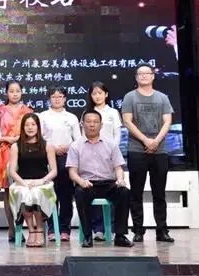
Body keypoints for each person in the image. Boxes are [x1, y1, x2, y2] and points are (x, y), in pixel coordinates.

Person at [122, 63, 175, 243]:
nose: (144, 76)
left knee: (159, 193)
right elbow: (127, 121)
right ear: (136, 77)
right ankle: (138, 230)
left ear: (153, 76)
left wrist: (156, 141)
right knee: (136, 192)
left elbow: (167, 121)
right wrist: (145, 140)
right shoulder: (130, 97)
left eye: (147, 73)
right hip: (137, 149)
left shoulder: (162, 98)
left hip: (160, 150)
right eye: (140, 74)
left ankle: (162, 230)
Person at [67, 111, 134, 248]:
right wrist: (81, 182)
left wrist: (120, 179)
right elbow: (72, 172)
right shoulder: (75, 146)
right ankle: (87, 236)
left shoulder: (111, 144)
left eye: (95, 122)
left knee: (124, 192)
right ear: (82, 124)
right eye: (88, 122)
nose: (92, 125)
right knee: (79, 193)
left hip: (108, 183)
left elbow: (118, 167)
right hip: (88, 184)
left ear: (101, 125)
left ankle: (120, 235)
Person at [0, 80, 33, 241]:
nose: (15, 94)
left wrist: (20, 139)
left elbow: (33, 132)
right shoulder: (0, 111)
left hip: (24, 152)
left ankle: (24, 227)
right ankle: (12, 228)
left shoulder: (28, 111)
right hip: (6, 152)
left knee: (23, 190)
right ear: (6, 93)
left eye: (17, 91)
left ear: (22, 92)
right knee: (8, 192)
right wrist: (8, 139)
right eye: (11, 91)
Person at [8, 113, 57, 248]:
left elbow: (54, 170)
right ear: (22, 127)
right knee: (25, 194)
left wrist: (41, 181)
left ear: (38, 127)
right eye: (27, 125)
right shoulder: (16, 146)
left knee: (36, 193)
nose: (30, 128)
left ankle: (39, 229)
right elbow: (12, 171)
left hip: (42, 182)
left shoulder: (47, 146)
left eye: (33, 124)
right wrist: (24, 183)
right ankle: (31, 230)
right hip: (22, 182)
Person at [38, 86, 81, 242]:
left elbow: (78, 140)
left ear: (65, 98)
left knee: (66, 195)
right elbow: (39, 138)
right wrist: (52, 148)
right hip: (48, 158)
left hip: (68, 158)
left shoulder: (71, 117)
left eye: (60, 96)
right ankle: (51, 228)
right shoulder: (43, 116)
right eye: (54, 96)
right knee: (50, 194)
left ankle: (65, 229)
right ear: (49, 99)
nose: (57, 99)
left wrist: (67, 147)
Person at [87, 81, 123, 241]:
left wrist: (111, 151)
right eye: (94, 93)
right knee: (92, 190)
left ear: (106, 94)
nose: (97, 96)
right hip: (92, 157)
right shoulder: (88, 113)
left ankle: (114, 228)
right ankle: (98, 229)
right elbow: (83, 136)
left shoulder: (113, 112)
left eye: (100, 93)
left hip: (110, 156)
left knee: (114, 191)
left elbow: (117, 134)